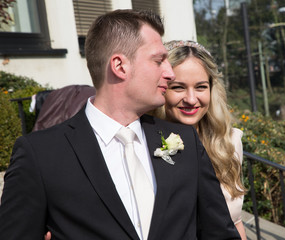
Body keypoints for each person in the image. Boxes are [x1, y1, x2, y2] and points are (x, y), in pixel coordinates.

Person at [0, 10, 241, 240]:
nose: (169, 72)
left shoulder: (185, 141)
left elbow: (219, 233)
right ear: (119, 66)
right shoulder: (40, 155)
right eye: (159, 60)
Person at [151, 40, 247, 239]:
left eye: (201, 87)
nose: (191, 99)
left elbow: (235, 222)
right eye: (178, 87)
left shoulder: (229, 141)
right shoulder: (143, 142)